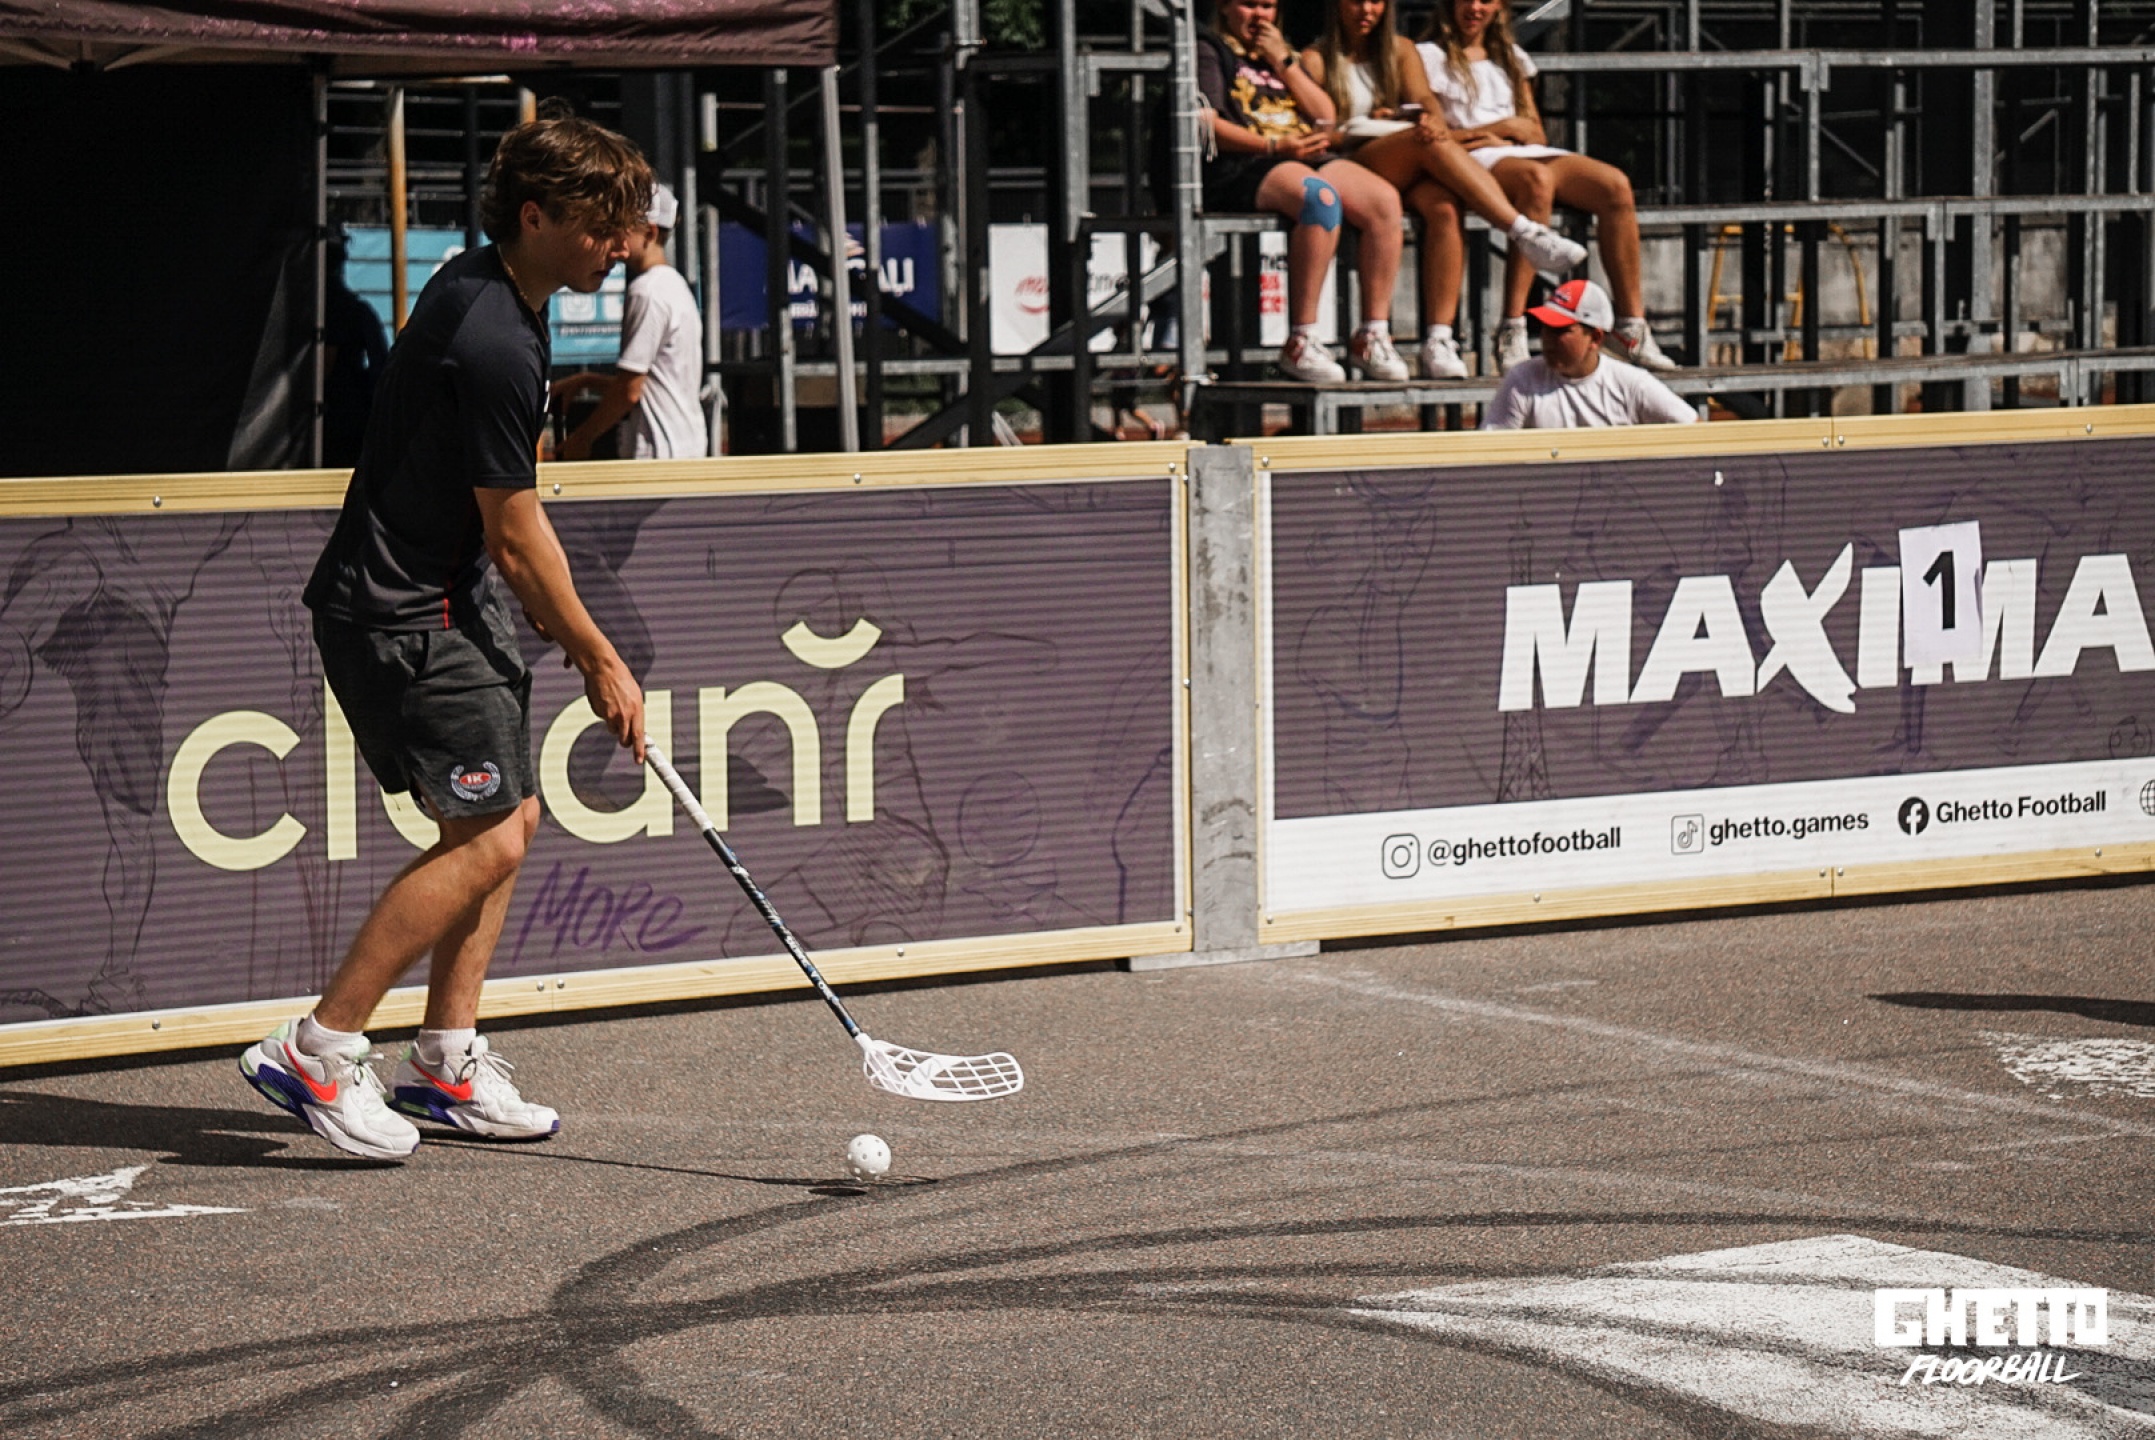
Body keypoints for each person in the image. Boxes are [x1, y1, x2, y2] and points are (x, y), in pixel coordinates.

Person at [239, 110, 653, 1161]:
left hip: (444, 596)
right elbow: (515, 532)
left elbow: (499, 526)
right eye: (602, 224)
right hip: (402, 613)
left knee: (505, 816)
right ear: (536, 215)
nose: (620, 244)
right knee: (493, 834)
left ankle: (445, 1063)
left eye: (625, 225)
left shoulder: (493, 287)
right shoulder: (494, 337)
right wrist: (602, 657)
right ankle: (317, 1049)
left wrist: (561, 627)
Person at [1300, 0, 1588, 381]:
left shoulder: (1401, 50)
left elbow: (1427, 104)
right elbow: (1320, 133)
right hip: (1352, 159)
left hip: (1408, 159)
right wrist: (1372, 124)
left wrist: (1416, 118)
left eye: (1376, 2)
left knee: (1445, 208)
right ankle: (1523, 230)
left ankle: (1439, 338)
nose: (1366, 10)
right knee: (1428, 141)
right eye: (1355, 1)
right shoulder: (1316, 59)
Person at [1420, 0, 1677, 374]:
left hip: (1518, 150)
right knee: (1535, 180)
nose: (1474, 8)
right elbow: (1430, 137)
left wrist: (1509, 132)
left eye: (1485, 0)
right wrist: (1500, 130)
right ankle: (1513, 324)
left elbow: (1535, 132)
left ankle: (1631, 324)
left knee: (1615, 186)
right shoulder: (1427, 57)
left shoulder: (1511, 57)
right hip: (1470, 157)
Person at [1196, 0, 1413, 382]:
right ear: (1226, 7)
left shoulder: (1281, 55)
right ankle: (1302, 338)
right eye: (1249, 4)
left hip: (1299, 153)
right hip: (1244, 162)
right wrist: (1273, 146)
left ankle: (1372, 334)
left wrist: (1282, 61)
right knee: (1320, 199)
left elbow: (1325, 115)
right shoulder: (1209, 49)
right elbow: (1205, 123)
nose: (1259, 15)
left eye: (1267, 6)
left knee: (1383, 202)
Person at [549, 183, 708, 461]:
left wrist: (583, 438)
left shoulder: (647, 291)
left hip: (658, 451)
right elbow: (653, 384)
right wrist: (586, 380)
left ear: (650, 233)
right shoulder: (675, 286)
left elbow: (630, 390)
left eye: (623, 228)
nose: (615, 238)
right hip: (685, 445)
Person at [1481, 278, 1695, 429]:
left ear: (1595, 338)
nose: (1548, 338)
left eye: (1561, 330)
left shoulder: (1631, 383)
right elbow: (1490, 453)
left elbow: (1694, 430)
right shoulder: (1522, 379)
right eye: (1546, 328)